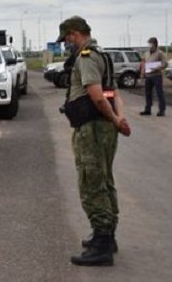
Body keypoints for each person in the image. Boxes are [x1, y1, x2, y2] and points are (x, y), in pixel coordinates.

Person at [56, 16, 131, 266]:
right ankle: (107, 235)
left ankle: (102, 244)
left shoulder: (87, 56)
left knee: (92, 181)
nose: (66, 43)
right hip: (105, 127)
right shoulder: (103, 55)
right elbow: (114, 93)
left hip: (92, 128)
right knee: (104, 178)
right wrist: (118, 119)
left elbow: (98, 97)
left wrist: (112, 118)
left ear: (75, 34)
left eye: (67, 38)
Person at [140, 37, 167, 116]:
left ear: (155, 44)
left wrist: (156, 68)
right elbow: (144, 62)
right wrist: (142, 72)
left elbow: (165, 64)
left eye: (151, 44)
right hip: (148, 76)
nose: (149, 45)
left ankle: (162, 110)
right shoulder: (146, 53)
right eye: (148, 44)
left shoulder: (160, 53)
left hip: (156, 75)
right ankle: (148, 109)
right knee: (148, 93)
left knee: (159, 93)